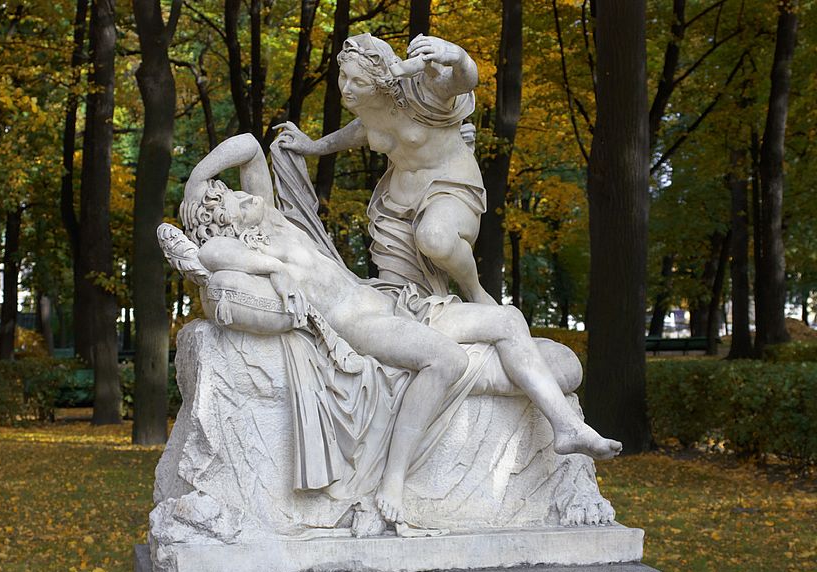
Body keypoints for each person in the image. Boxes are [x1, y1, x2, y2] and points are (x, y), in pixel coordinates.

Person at [170, 133, 621, 526]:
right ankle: (393, 482)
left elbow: (248, 146)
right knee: (447, 359)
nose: (246, 195)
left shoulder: (270, 217)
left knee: (507, 319)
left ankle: (567, 428)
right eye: (230, 198)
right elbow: (215, 262)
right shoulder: (226, 247)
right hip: (361, 324)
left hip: (394, 301)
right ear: (220, 221)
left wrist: (195, 178)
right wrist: (276, 269)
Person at [274, 33, 494, 305]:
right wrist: (313, 147)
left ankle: (475, 292)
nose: (346, 88)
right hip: (397, 205)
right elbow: (361, 131)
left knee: (435, 238)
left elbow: (464, 81)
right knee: (398, 299)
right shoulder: (366, 106)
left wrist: (457, 56)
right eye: (344, 77)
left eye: (358, 82)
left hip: (449, 186)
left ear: (380, 82)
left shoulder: (423, 91)